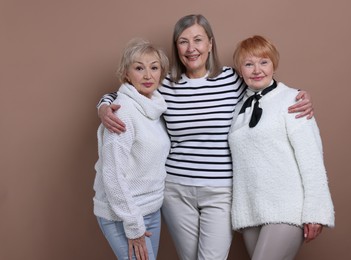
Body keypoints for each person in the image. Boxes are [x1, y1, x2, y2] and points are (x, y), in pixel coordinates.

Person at [97, 15, 314, 260]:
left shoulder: (232, 79)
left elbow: (267, 88)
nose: (191, 49)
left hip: (221, 190)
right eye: (183, 42)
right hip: (175, 190)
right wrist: (104, 106)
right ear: (176, 47)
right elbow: (128, 94)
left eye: (198, 40)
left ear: (210, 44)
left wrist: (298, 96)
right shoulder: (165, 83)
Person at [228, 35, 335, 260]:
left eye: (263, 62)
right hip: (251, 211)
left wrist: (316, 212)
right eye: (249, 64)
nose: (257, 70)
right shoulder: (239, 109)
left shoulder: (292, 100)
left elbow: (312, 159)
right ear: (240, 70)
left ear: (274, 65)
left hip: (287, 208)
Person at [93, 38, 170, 260]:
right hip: (123, 213)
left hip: (150, 208)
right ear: (126, 73)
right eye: (139, 68)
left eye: (154, 67)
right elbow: (113, 174)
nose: (148, 75)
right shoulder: (123, 111)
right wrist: (133, 224)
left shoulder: (155, 106)